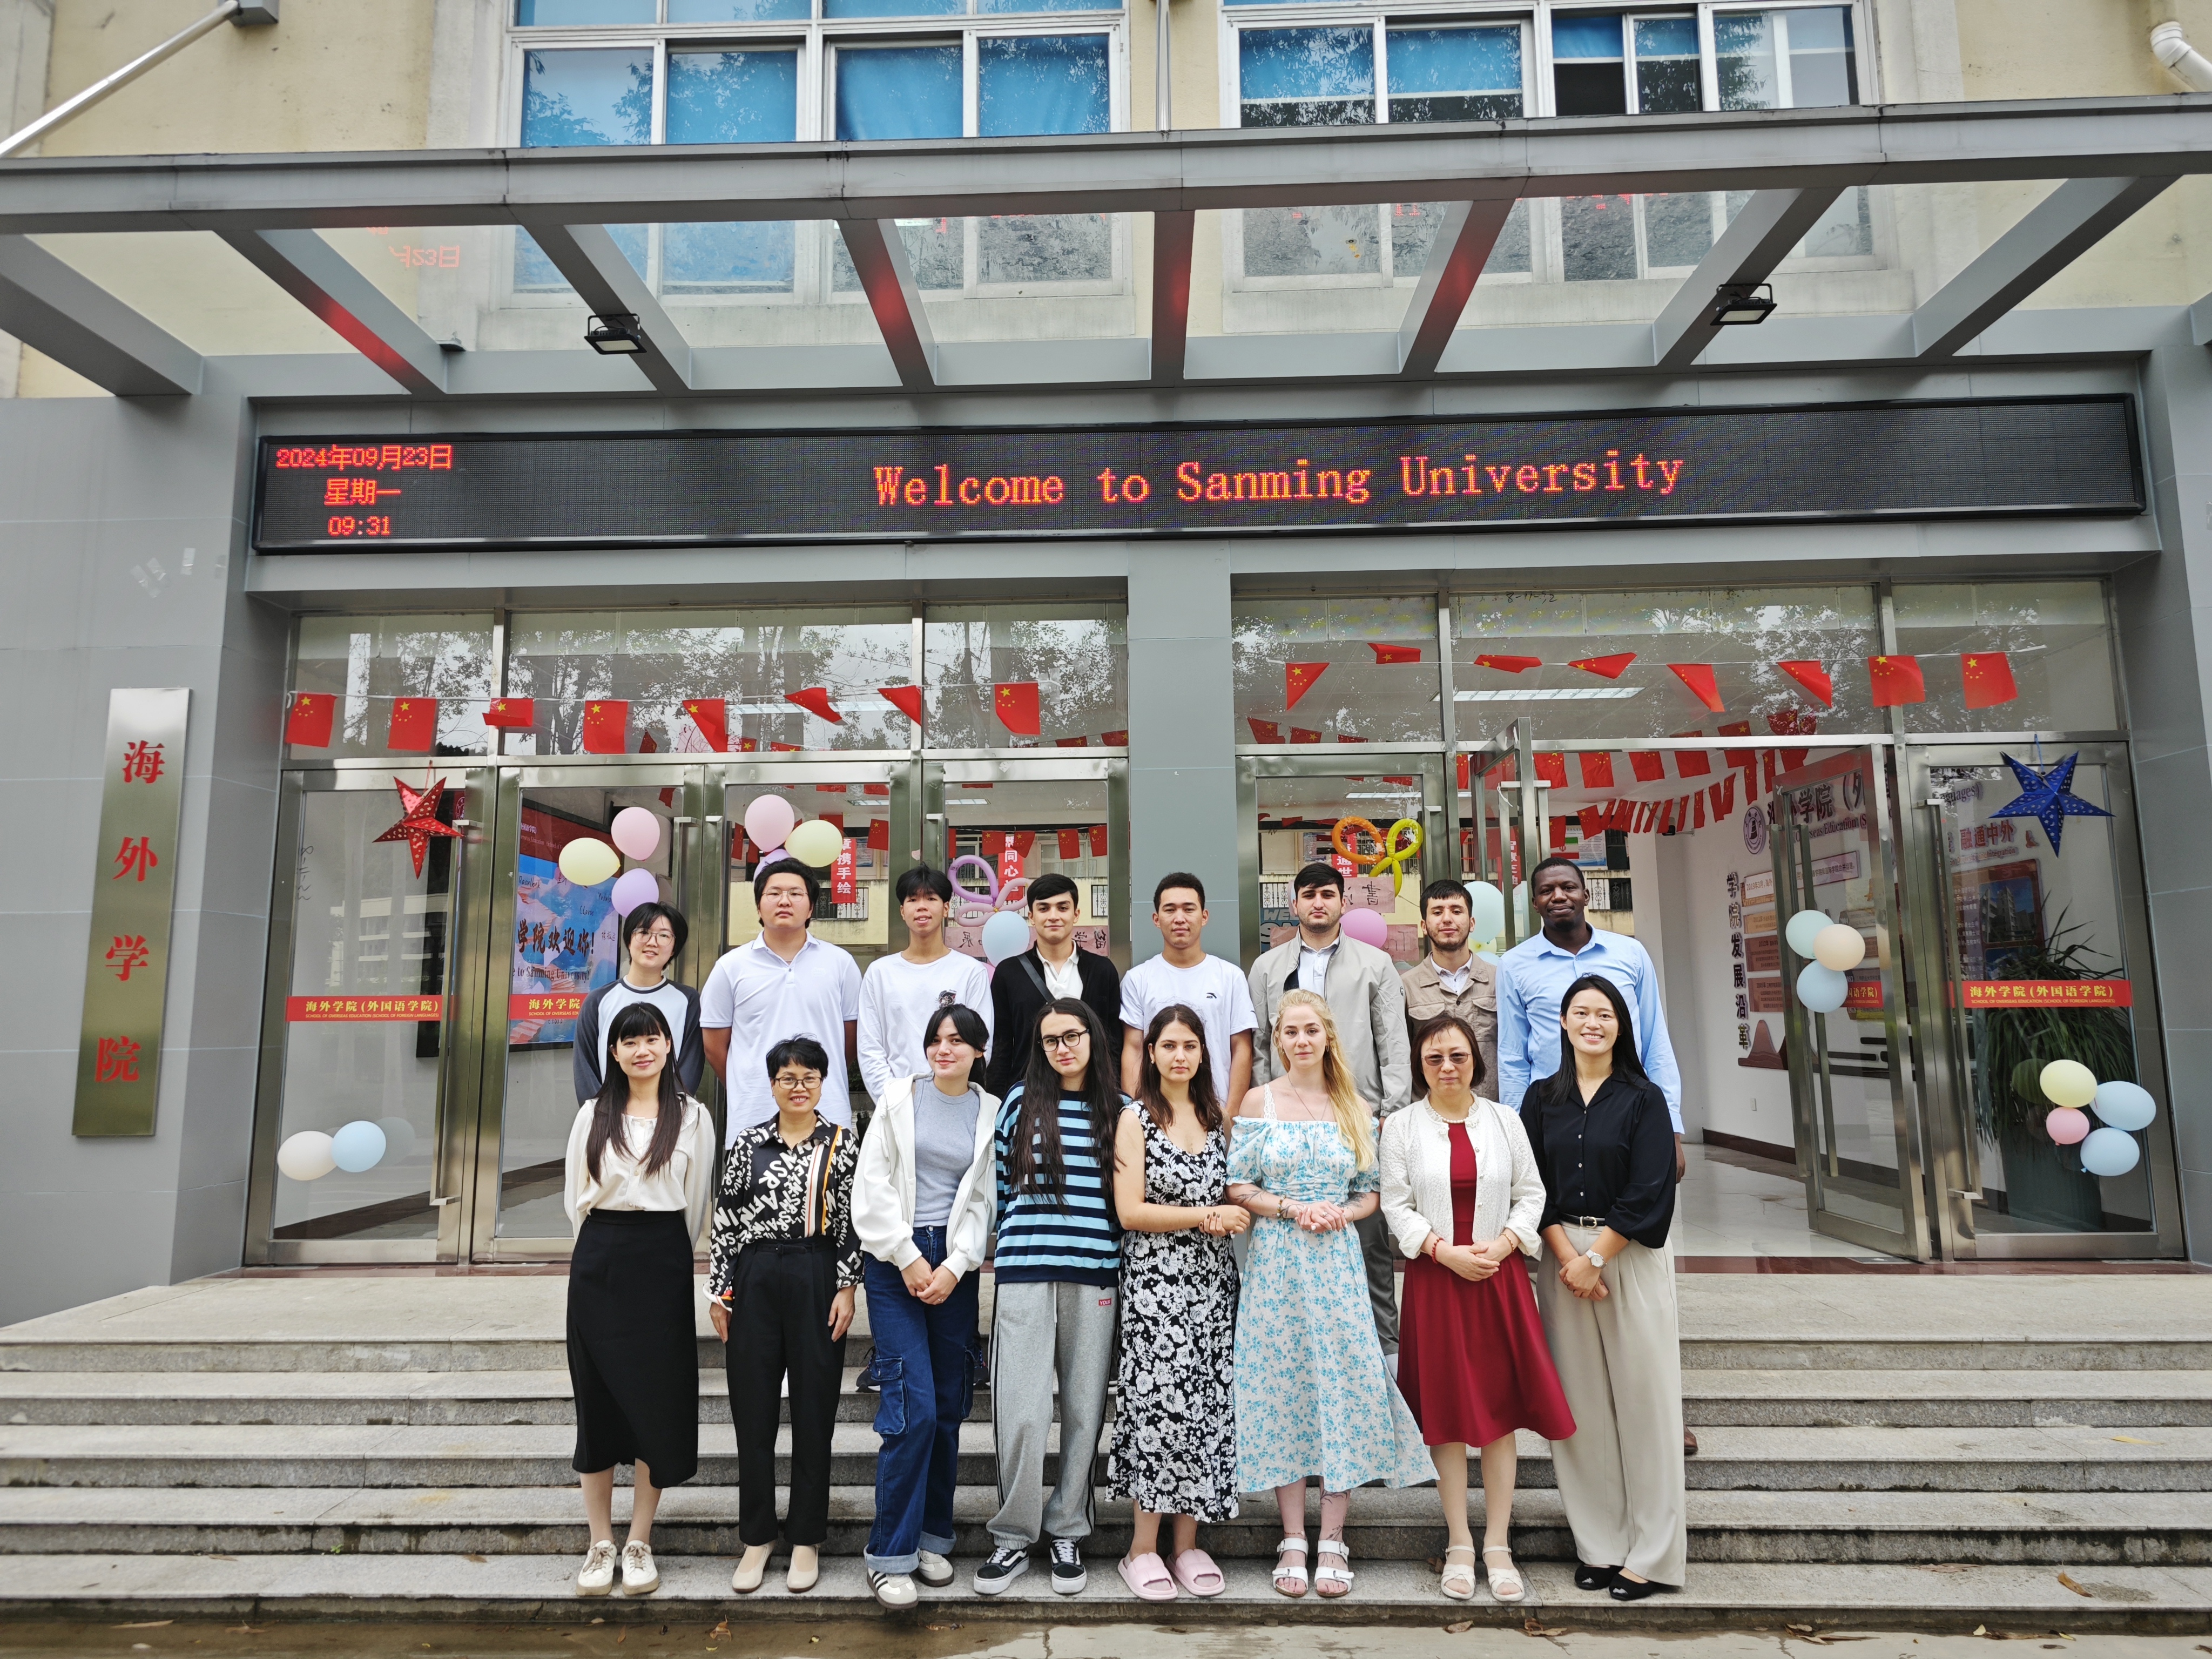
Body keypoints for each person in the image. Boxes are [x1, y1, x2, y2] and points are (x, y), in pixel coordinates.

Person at [1228, 989, 1429, 1602]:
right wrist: (1292, 1208)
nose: (1301, 1041)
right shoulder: (1259, 1101)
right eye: (1290, 1032)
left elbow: (1370, 1190)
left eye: (1311, 1030)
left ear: (1327, 1036)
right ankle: (1293, 1536)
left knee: (1341, 1385)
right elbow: (1237, 1184)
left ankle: (1334, 1537)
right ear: (1278, 1040)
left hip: (1337, 1264)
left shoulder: (1354, 1105)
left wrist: (1342, 1212)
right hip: (1277, 1265)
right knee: (1283, 1389)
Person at [1494, 853, 1697, 1457]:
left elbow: (1655, 1040)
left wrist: (1671, 1126)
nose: (1558, 896)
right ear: (1534, 902)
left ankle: (1663, 1413)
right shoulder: (1515, 965)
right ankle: (1582, 1421)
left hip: (1625, 1120)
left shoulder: (1630, 955)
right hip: (1553, 1122)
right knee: (1565, 1282)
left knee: (1642, 1293)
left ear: (1586, 894)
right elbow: (1512, 1056)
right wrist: (1517, 1138)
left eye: (1568, 887)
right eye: (1546, 890)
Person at [1380, 1012, 1573, 1604]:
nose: (1447, 1067)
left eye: (1458, 1056)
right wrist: (1443, 1251)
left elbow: (1531, 1193)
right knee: (1445, 1414)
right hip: (1436, 1282)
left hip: (1497, 1277)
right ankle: (1460, 1542)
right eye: (1434, 1058)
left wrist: (1506, 1243)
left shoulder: (1504, 1120)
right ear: (1420, 1066)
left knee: (1498, 1412)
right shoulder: (1401, 1127)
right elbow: (1396, 1204)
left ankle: (1497, 1544)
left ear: (1476, 1062)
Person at [1525, 974, 1687, 1602]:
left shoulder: (1644, 1099)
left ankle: (1653, 1556)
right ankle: (1599, 1547)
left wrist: (1595, 1258)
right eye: (1580, 1012)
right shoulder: (1542, 1098)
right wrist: (1569, 1258)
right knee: (1580, 1411)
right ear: (1563, 1023)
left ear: (1621, 1026)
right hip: (1562, 1259)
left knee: (1646, 1406)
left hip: (1628, 1257)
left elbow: (1651, 1189)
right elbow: (1530, 1185)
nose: (1592, 1023)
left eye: (1605, 1014)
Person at [561, 1001, 717, 1599]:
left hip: (662, 1260)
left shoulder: (693, 1116)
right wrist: (600, 1253)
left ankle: (639, 1541)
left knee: (657, 1401)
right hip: (600, 1259)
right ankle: (600, 1542)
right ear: (614, 1052)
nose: (641, 1050)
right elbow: (575, 1197)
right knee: (597, 1402)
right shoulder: (592, 1113)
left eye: (652, 1039)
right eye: (629, 1041)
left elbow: (695, 1201)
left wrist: (669, 1256)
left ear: (669, 1045)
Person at [851, 1004, 999, 1609]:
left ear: (979, 1051)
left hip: (954, 1265)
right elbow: (872, 1184)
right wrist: (909, 1256)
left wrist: (957, 1264)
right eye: (936, 1039)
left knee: (944, 1406)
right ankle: (889, 1555)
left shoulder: (991, 1111)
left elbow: (985, 1199)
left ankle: (932, 1538)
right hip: (895, 1261)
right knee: (910, 1408)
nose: (944, 1049)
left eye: (958, 1041)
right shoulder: (897, 1099)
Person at [978, 996, 1124, 1597]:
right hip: (1024, 1273)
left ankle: (1067, 1530)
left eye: (1072, 1036)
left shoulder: (1121, 1109)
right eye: (1050, 1040)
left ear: (1093, 1037)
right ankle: (1013, 1536)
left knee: (1085, 1411)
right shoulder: (1018, 1103)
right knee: (1021, 1410)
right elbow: (1001, 1188)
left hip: (1095, 1275)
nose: (1062, 1048)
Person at [1105, 1003, 1249, 1602]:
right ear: (1151, 1054)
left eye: (1190, 1045)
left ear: (1203, 1052)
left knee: (1207, 1406)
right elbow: (1130, 1211)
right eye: (1168, 1045)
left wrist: (1236, 1211)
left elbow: (1235, 1191)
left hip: (1213, 1283)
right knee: (1158, 1407)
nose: (1180, 1055)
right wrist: (1206, 1214)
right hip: (1156, 1284)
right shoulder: (1134, 1118)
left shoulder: (1217, 1118)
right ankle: (1141, 1549)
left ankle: (1187, 1545)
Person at [707, 1036, 859, 1597]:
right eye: (787, 1078)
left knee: (815, 1411)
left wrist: (847, 1286)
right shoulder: (748, 1143)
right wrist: (720, 1293)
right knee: (753, 1413)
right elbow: (726, 1218)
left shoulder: (842, 1143)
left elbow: (853, 1221)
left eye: (808, 1078)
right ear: (772, 1084)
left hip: (817, 1273)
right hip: (754, 1277)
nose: (798, 1087)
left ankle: (806, 1538)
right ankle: (757, 1537)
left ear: (822, 1083)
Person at [1247, 861, 1413, 1358]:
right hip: (1288, 1125)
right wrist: (1267, 1111)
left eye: (1327, 894)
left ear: (1344, 902)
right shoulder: (1268, 967)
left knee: (1369, 1244)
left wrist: (1390, 1115)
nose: (1318, 903)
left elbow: (1394, 1043)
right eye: (1308, 895)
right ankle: (1299, 1357)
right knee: (1290, 1240)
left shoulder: (1375, 964)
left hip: (1358, 1118)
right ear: (1294, 904)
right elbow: (1260, 1046)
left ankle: (1383, 1357)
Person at [702, 862, 862, 1141]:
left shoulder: (841, 963)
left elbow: (850, 1040)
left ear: (811, 908)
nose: (784, 901)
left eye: (796, 894)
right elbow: (714, 1047)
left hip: (828, 1116)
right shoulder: (730, 967)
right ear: (759, 906)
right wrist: (749, 1085)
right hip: (753, 1119)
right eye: (774, 893)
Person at [858, 865, 993, 1107]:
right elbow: (870, 1046)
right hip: (895, 1101)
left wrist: (949, 1095)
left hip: (954, 1100)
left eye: (931, 898)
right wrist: (893, 1099)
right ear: (902, 911)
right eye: (913, 899)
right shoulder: (880, 973)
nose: (922, 906)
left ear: (946, 908)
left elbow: (982, 1042)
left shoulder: (970, 971)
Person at [1117, 871, 1256, 1106]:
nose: (1179, 918)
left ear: (1204, 917)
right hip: (1156, 1112)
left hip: (1216, 1110)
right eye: (1170, 910)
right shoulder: (1137, 979)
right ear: (1156, 919)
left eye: (1189, 909)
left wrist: (1231, 1113)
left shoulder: (1231, 977)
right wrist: (1136, 1111)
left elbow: (1242, 1049)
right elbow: (1134, 1050)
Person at [986, 873, 1122, 1101]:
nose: (1053, 916)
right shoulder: (1009, 973)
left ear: (1076, 914)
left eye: (1062, 907)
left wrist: (1113, 1095)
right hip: (1029, 1097)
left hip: (1092, 1099)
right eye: (1044, 908)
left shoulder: (1102, 970)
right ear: (1031, 916)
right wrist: (998, 1101)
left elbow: (1113, 1043)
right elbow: (1001, 1045)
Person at [571, 901, 705, 1102]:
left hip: (670, 1115)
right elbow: (585, 1068)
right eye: (643, 932)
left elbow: (690, 1066)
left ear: (674, 948)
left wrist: (669, 1111)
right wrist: (600, 1113)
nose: (652, 942)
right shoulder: (598, 1001)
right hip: (608, 1115)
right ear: (629, 940)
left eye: (664, 936)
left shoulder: (689, 1001)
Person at [1398, 881, 1497, 1099]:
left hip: (1491, 1105)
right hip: (1429, 1109)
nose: (1447, 919)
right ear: (1424, 926)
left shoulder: (1499, 980)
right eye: (1437, 912)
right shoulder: (1406, 986)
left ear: (1472, 923)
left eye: (1456, 911)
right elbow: (1400, 1055)